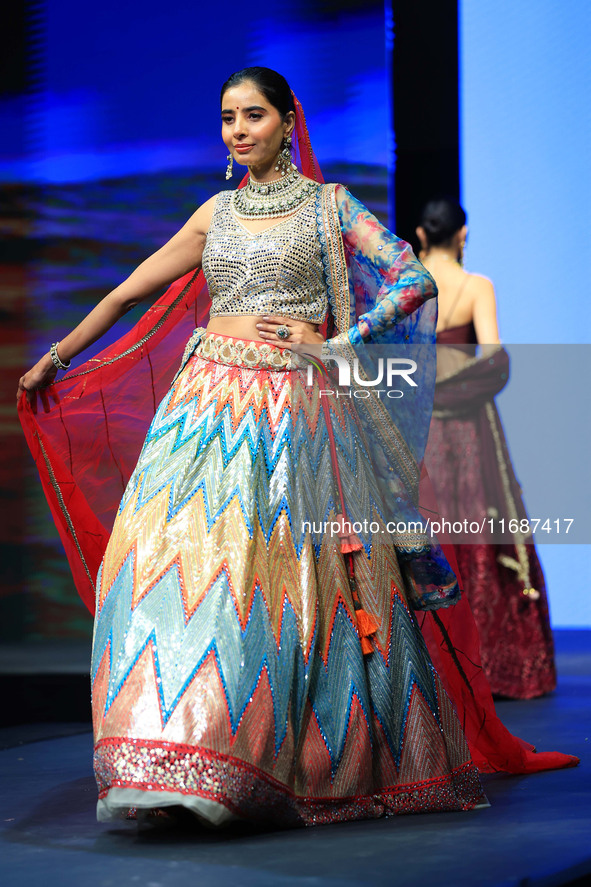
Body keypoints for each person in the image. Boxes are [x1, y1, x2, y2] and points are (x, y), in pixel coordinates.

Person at [17, 69, 574, 828]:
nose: (237, 131)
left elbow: (410, 281)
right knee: (152, 564)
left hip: (292, 414)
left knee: (276, 589)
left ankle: (267, 758)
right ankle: (176, 748)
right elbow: (127, 292)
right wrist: (58, 355)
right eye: (225, 119)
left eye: (252, 116)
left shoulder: (328, 206)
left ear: (289, 120)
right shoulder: (215, 212)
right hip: (203, 407)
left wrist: (338, 341)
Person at [418, 198, 557, 699]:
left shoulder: (408, 285)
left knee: (431, 522)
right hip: (471, 421)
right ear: (463, 234)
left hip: (421, 418)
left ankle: (434, 664)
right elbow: (494, 357)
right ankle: (495, 663)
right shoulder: (476, 286)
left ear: (419, 234)